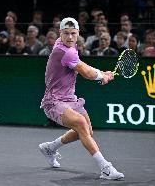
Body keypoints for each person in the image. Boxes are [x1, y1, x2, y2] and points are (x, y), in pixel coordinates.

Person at [39, 17, 124, 180]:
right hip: (54, 101)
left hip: (70, 98)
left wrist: (101, 74)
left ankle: (50, 147)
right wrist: (102, 76)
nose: (70, 37)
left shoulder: (68, 45)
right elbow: (86, 72)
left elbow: (81, 65)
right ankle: (106, 168)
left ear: (78, 33)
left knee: (86, 132)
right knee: (80, 123)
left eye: (73, 33)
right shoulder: (65, 51)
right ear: (60, 34)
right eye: (66, 34)